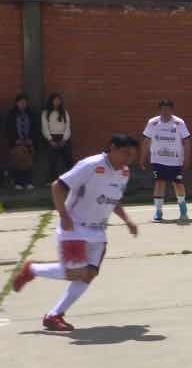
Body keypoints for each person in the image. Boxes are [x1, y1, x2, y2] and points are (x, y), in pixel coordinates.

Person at [11, 134, 140, 331]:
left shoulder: (124, 172)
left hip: (98, 232)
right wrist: (63, 215)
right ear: (112, 148)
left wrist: (127, 220)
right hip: (74, 227)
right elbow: (58, 186)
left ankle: (54, 315)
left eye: (132, 155)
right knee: (75, 273)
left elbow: (113, 199)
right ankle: (32, 270)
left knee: (88, 275)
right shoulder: (91, 165)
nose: (128, 159)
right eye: (125, 153)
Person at [142, 99, 192, 221]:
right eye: (163, 109)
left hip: (175, 160)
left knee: (178, 184)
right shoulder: (152, 122)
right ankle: (158, 211)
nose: (165, 112)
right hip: (158, 160)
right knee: (159, 183)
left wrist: (186, 159)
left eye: (168, 109)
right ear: (159, 110)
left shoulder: (179, 123)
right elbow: (146, 141)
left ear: (172, 110)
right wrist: (142, 158)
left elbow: (186, 141)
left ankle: (183, 209)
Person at [4, 93, 39, 190]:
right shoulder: (11, 114)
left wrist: (31, 139)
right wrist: (15, 140)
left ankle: (28, 182)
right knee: (18, 163)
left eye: (24, 102)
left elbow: (35, 128)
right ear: (16, 103)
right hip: (16, 142)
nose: (23, 104)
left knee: (28, 163)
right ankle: (18, 182)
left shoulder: (31, 114)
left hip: (28, 142)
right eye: (21, 102)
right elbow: (8, 129)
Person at [42, 93, 73, 181]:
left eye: (59, 100)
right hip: (52, 137)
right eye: (55, 100)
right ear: (51, 101)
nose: (57, 102)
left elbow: (68, 126)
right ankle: (53, 180)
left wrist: (64, 139)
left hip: (63, 137)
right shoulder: (45, 113)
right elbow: (44, 127)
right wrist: (50, 140)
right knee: (52, 161)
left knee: (68, 160)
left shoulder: (64, 112)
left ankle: (71, 180)